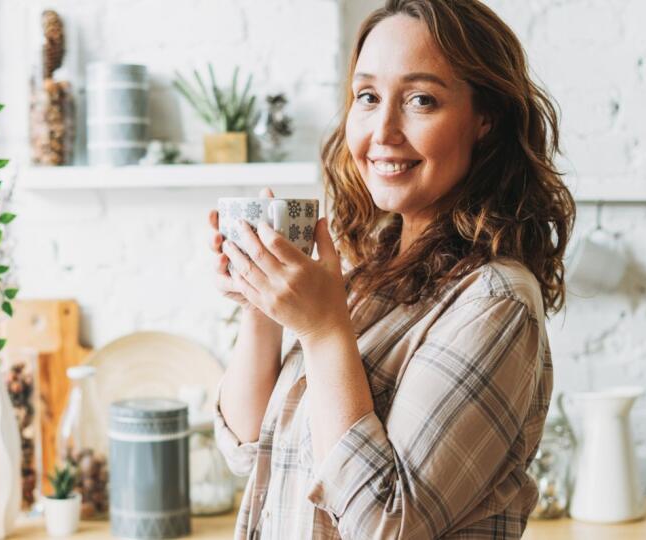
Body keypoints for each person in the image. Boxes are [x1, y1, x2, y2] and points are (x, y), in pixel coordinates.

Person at [207, 0, 575, 538]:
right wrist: (261, 302)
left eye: (421, 100)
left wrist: (322, 330)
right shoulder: (365, 278)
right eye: (368, 96)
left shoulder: (495, 302)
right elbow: (246, 447)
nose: (383, 130)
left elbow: (387, 524)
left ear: (485, 122)